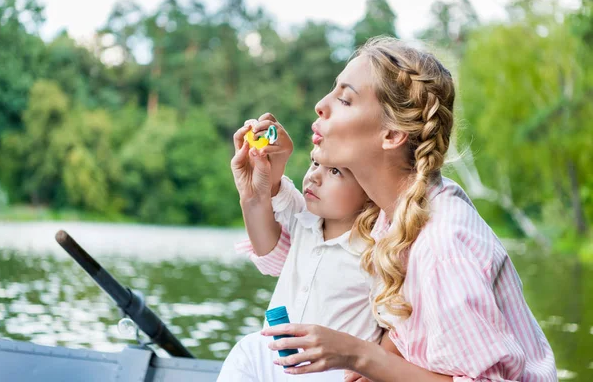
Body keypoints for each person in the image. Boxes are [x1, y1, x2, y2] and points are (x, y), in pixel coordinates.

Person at [250, 36, 556, 381]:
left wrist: (359, 355)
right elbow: (281, 259)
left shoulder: (442, 245)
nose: (321, 105)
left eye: (345, 99)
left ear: (392, 135)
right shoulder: (391, 212)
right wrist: (261, 190)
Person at [218, 116, 401, 381]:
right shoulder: (304, 216)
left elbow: (398, 323)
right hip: (276, 362)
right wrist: (268, 167)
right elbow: (263, 223)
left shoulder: (377, 250)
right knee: (247, 349)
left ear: (369, 188)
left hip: (331, 370)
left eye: (335, 171)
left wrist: (377, 369)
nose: (314, 176)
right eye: (315, 163)